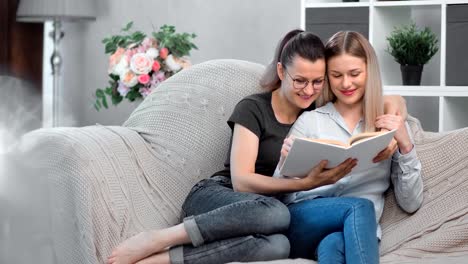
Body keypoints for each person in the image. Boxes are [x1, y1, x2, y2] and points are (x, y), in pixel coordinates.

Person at [107, 29, 407, 264]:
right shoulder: (255, 108)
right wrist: (307, 182)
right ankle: (159, 239)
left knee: (278, 245)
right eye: (300, 80)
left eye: (317, 82)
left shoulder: (314, 110)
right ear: (281, 72)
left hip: (268, 209)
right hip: (222, 194)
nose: (309, 89)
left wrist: (395, 121)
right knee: (276, 215)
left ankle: (164, 259)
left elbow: (385, 99)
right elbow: (242, 181)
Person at [276, 31, 424, 264]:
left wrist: (405, 145)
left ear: (369, 72)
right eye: (336, 75)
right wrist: (286, 163)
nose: (346, 83)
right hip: (306, 221)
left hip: (355, 234)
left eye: (354, 74)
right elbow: (280, 199)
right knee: (359, 207)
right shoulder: (310, 121)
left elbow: (411, 202)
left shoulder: (386, 126)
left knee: (334, 245)